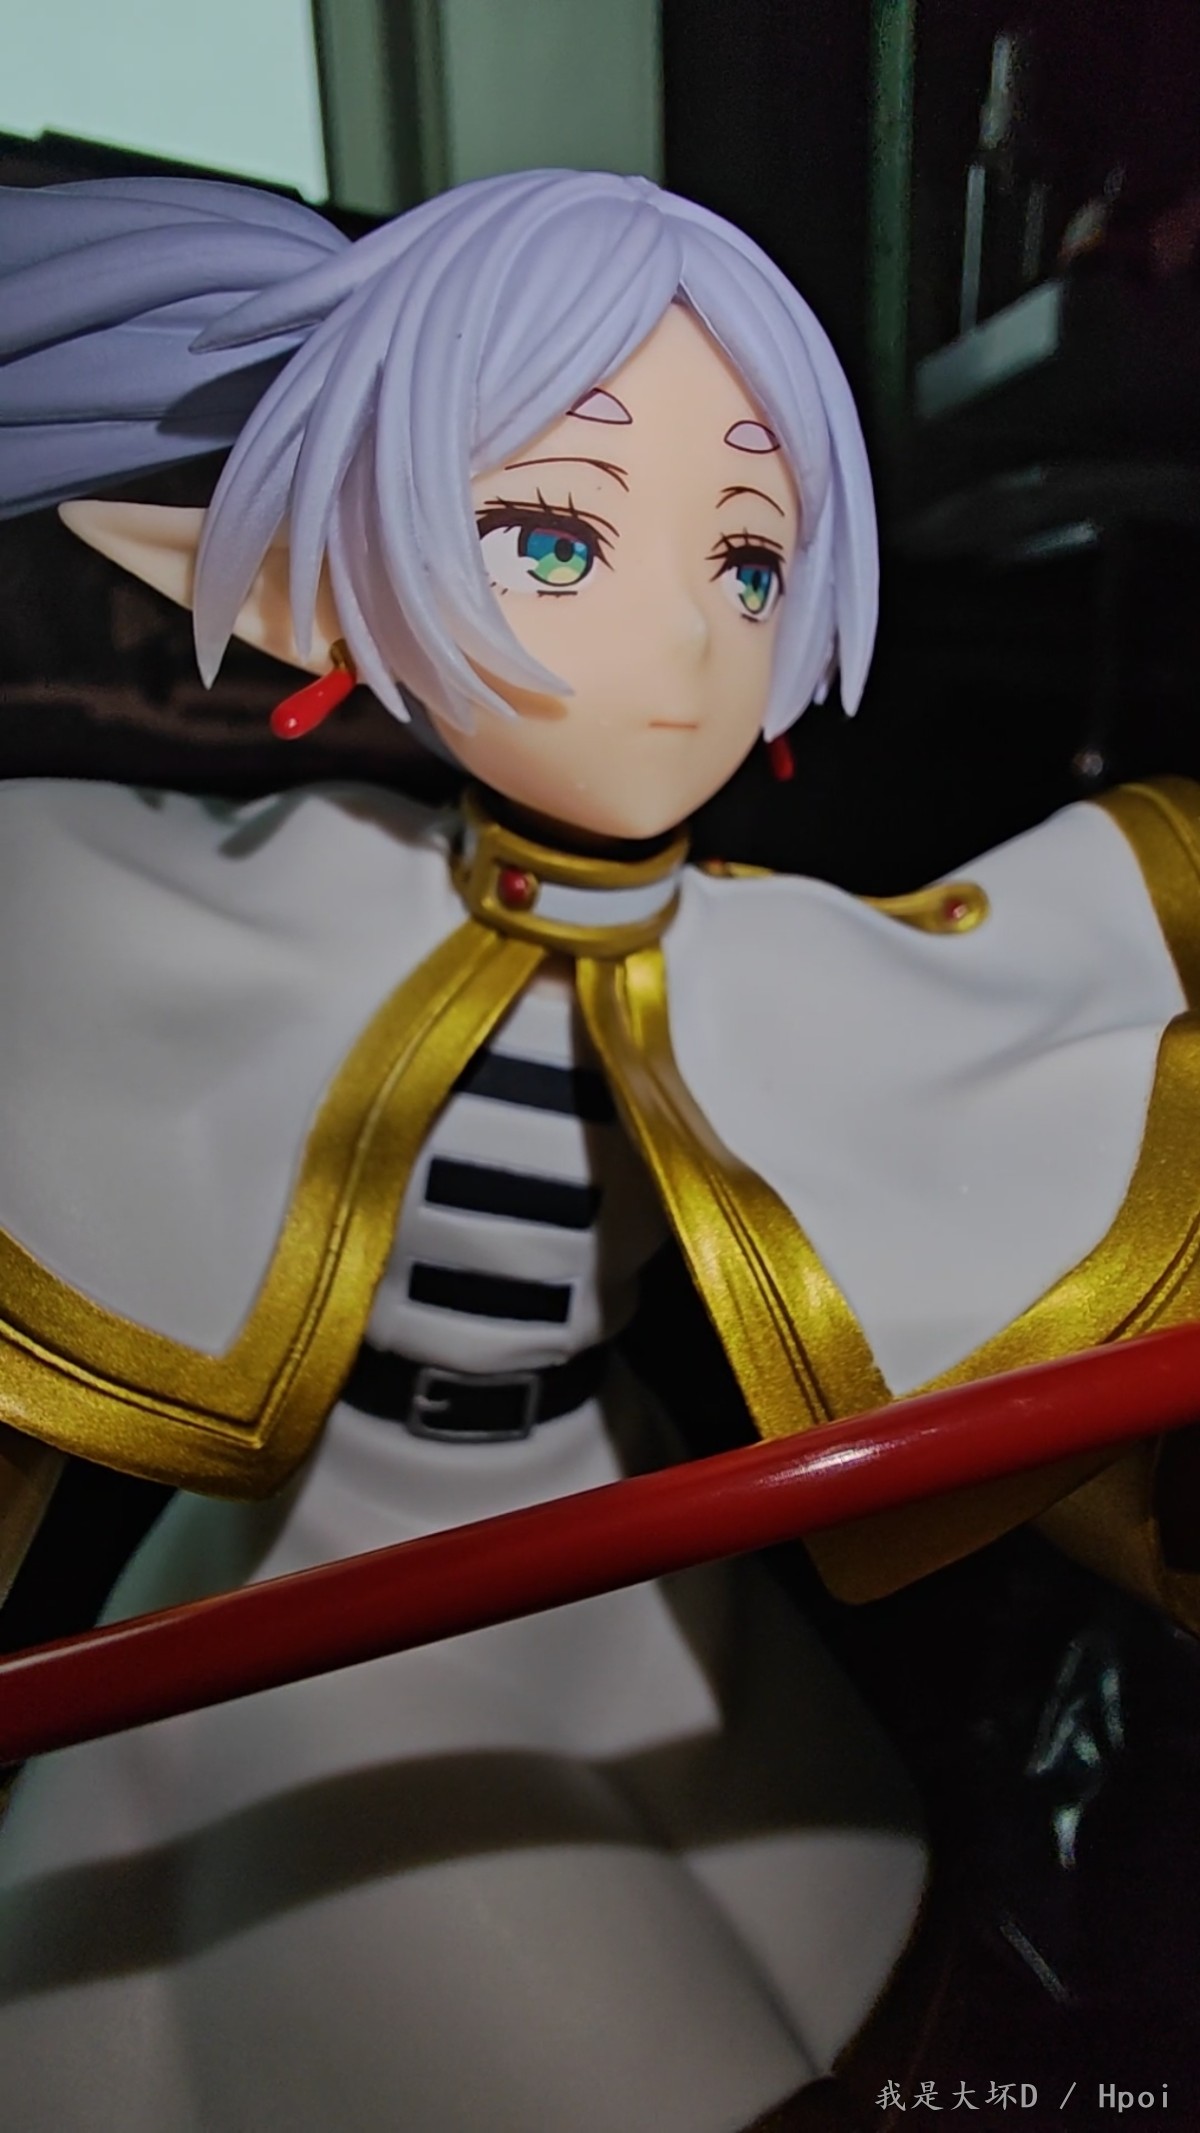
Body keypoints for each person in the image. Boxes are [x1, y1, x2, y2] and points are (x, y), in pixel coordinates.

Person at [0, 167, 1195, 2133]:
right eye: (554, 534)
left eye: (748, 556)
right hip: (343, 1560)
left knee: (844, 1930)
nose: (687, 637)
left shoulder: (758, 948)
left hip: (610, 1519)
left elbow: (1024, 1096)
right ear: (319, 582)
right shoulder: (261, 888)